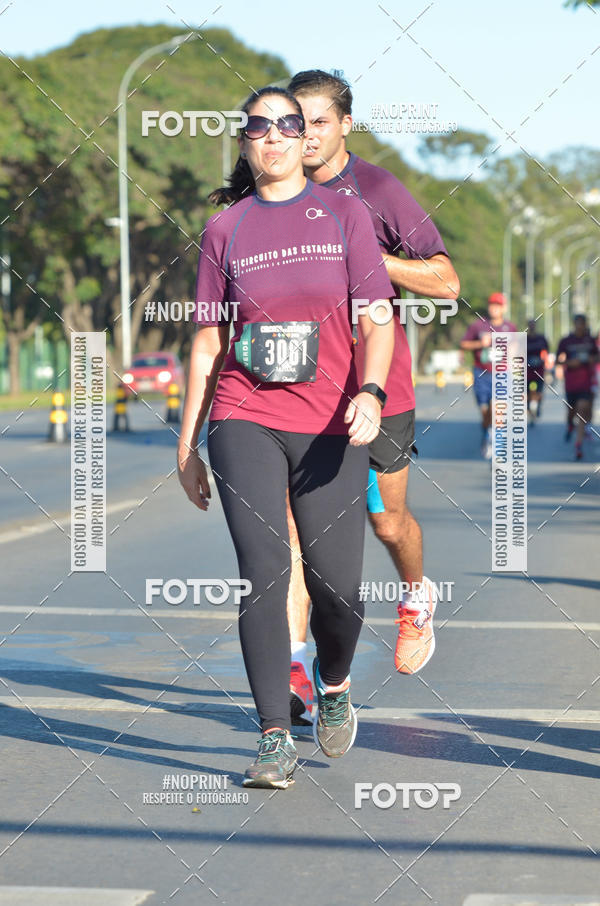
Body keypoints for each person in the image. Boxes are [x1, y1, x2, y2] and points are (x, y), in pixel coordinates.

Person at [177, 85, 395, 789]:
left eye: (286, 125)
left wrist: (372, 390)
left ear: (307, 138)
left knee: (340, 591)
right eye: (257, 126)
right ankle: (273, 735)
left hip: (332, 421)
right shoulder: (225, 230)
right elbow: (208, 342)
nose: (271, 136)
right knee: (264, 573)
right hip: (244, 416)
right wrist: (186, 444)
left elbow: (377, 320)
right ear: (244, 140)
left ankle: (333, 681)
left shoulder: (344, 215)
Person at [281, 70, 460, 726]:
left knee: (386, 522)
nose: (303, 136)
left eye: (318, 122)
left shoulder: (376, 188)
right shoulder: (272, 190)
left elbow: (445, 281)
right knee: (298, 536)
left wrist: (366, 255)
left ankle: (416, 598)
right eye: (294, 122)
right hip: (299, 391)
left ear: (345, 125)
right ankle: (298, 670)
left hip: (380, 387)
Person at [460, 292, 516, 459]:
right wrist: (480, 343)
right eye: (492, 305)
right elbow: (464, 343)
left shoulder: (510, 328)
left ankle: (496, 443)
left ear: (504, 308)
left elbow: (517, 348)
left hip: (502, 373)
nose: (494, 309)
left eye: (498, 306)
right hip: (481, 373)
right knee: (485, 412)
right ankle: (487, 433)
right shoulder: (478, 326)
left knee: (497, 408)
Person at [556, 313, 598, 459]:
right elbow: (557, 360)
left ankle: (578, 445)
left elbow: (597, 356)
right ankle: (569, 424)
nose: (580, 326)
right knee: (572, 411)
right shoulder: (566, 341)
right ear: (574, 324)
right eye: (577, 323)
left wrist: (592, 359)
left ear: (585, 324)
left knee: (582, 410)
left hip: (585, 383)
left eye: (582, 323)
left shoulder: (590, 341)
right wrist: (568, 363)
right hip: (571, 384)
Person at [526, 318, 549, 426]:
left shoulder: (541, 338)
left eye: (533, 324)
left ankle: (537, 406)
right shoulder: (524, 339)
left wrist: (543, 359)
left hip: (539, 370)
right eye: (530, 325)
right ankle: (530, 412)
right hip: (526, 371)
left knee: (538, 392)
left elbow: (546, 351)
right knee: (526, 394)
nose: (531, 326)